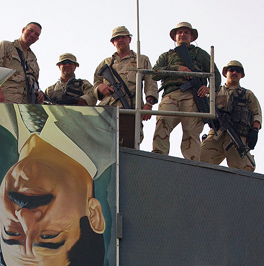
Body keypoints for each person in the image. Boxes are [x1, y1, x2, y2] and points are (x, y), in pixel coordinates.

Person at [0, 104, 117, 266]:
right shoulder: (107, 125)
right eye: (49, 236)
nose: (24, 215)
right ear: (93, 214)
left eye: (12, 232)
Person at [151, 22, 221, 161]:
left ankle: (192, 162)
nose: (182, 35)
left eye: (186, 32)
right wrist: (177, 68)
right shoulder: (167, 56)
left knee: (191, 131)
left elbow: (215, 75)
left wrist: (209, 89)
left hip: (193, 96)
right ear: (175, 37)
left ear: (192, 37)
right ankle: (158, 157)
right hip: (172, 94)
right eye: (180, 32)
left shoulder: (201, 54)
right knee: (162, 122)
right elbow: (154, 73)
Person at [93, 26, 158, 145]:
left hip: (131, 108)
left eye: (123, 37)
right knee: (103, 144)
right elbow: (96, 83)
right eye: (117, 38)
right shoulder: (106, 63)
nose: (120, 40)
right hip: (109, 110)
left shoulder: (141, 60)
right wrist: (100, 88)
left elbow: (151, 82)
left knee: (131, 142)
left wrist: (149, 103)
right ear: (113, 42)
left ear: (129, 39)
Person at [200, 60, 262, 172]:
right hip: (216, 133)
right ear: (225, 73)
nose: (234, 72)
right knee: (200, 161)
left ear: (242, 75)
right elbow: (204, 106)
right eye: (231, 70)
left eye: (238, 71)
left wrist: (255, 130)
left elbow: (257, 114)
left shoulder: (247, 94)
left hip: (237, 135)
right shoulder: (215, 91)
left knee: (244, 170)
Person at [0, 22, 44, 104]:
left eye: (36, 34)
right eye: (30, 30)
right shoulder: (6, 46)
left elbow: (34, 82)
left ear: (37, 39)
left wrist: (39, 93)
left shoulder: (33, 59)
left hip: (26, 104)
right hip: (6, 99)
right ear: (23, 30)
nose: (32, 35)